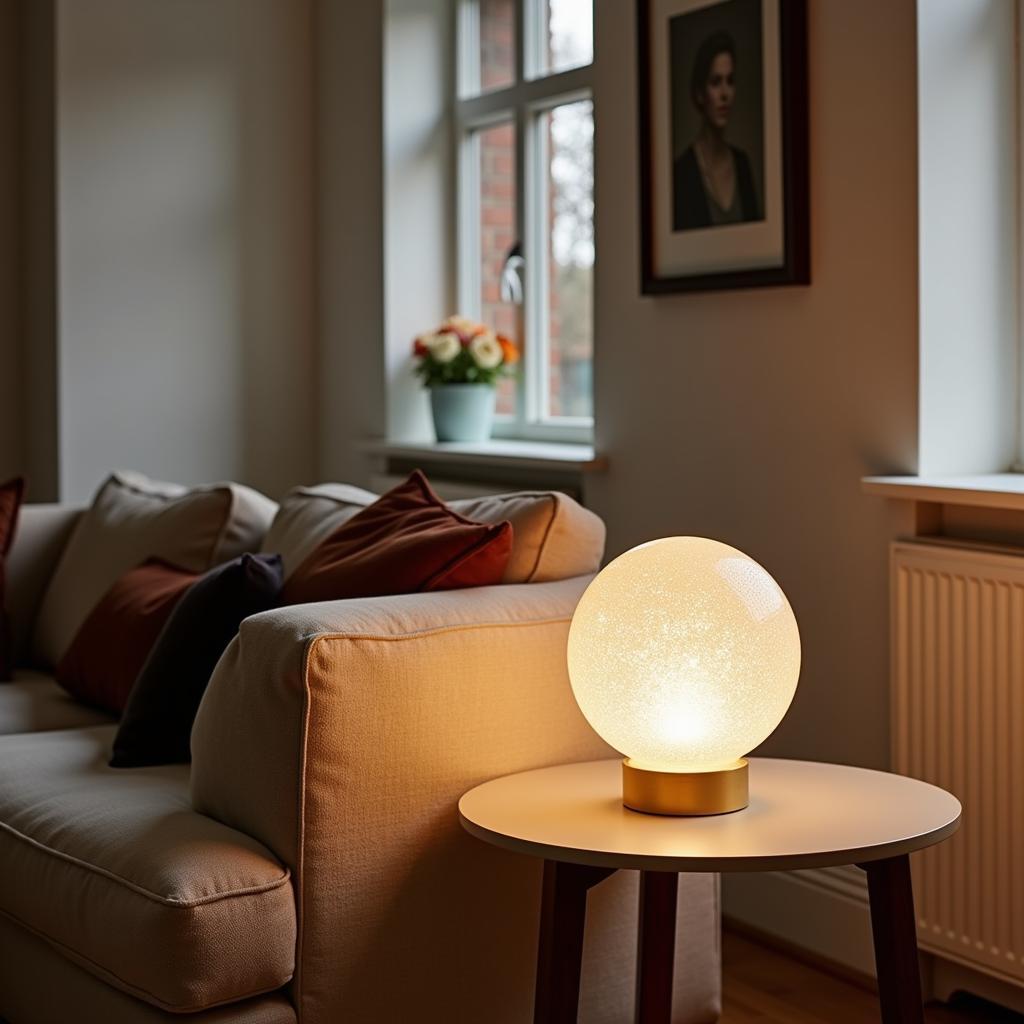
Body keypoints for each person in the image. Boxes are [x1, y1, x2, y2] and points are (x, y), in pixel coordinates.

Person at [673, 31, 759, 230]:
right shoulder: (682, 172)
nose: (724, 94)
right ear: (700, 93)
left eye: (730, 81)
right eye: (715, 82)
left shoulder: (742, 164)